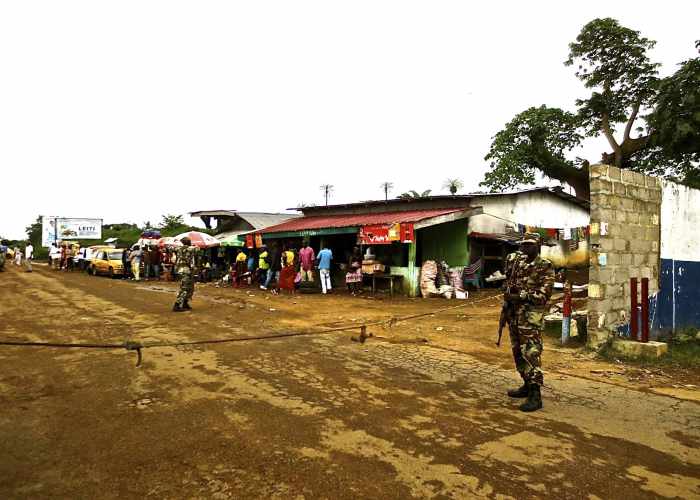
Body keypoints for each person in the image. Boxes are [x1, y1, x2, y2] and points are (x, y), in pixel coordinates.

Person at [502, 232, 554, 412]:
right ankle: (526, 384)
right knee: (518, 352)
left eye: (529, 244)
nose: (525, 248)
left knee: (531, 354)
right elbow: (510, 285)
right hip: (515, 316)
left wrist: (521, 296)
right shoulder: (519, 264)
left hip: (530, 319)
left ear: (538, 246)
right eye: (523, 244)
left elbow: (543, 296)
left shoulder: (544, 266)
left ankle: (535, 395)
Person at [173, 236, 198, 312]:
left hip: (183, 270)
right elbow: (197, 248)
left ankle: (184, 303)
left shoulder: (178, 249)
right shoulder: (190, 248)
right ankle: (177, 305)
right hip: (186, 271)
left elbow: (171, 248)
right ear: (188, 242)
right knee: (185, 288)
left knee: (190, 288)